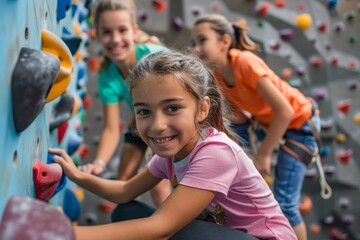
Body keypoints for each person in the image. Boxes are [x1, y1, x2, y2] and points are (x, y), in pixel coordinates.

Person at [51, 50, 297, 240]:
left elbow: (161, 228)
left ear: (202, 109)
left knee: (170, 230)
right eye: (144, 111)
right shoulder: (172, 153)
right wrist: (76, 175)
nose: (157, 125)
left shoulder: (216, 152)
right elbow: (125, 190)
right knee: (125, 212)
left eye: (173, 108)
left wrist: (67, 234)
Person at [191, 13, 326, 240]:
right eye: (193, 43)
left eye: (202, 40)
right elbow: (240, 119)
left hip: (301, 125)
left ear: (225, 41)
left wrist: (262, 156)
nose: (196, 48)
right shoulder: (218, 76)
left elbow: (285, 111)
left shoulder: (244, 62)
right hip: (270, 124)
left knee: (285, 203)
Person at [83, 0, 170, 206]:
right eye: (106, 32)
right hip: (143, 124)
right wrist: (99, 162)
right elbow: (111, 129)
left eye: (122, 30)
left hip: (170, 117)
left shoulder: (153, 55)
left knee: (156, 179)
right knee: (123, 180)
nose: (115, 39)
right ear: (97, 34)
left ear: (134, 30)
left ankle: (172, 230)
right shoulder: (107, 77)